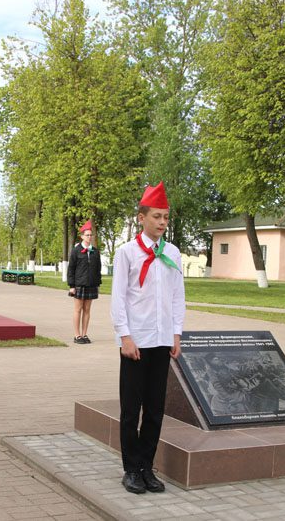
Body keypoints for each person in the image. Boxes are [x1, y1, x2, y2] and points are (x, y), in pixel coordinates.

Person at [110, 181, 185, 494]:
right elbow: (118, 298)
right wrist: (124, 337)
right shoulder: (127, 253)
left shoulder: (172, 253)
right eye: (156, 216)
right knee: (131, 410)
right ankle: (130, 469)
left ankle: (146, 467)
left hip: (162, 341)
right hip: (136, 343)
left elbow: (178, 296)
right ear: (141, 218)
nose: (162, 222)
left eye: (166, 217)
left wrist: (177, 333)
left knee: (155, 410)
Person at [67, 220, 102, 344]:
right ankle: (77, 335)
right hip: (79, 285)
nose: (89, 237)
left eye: (91, 235)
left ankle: (84, 334)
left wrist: (98, 284)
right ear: (82, 236)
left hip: (91, 284)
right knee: (78, 309)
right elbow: (71, 268)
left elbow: (98, 269)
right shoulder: (76, 251)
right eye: (87, 235)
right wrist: (72, 285)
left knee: (87, 310)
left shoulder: (95, 252)